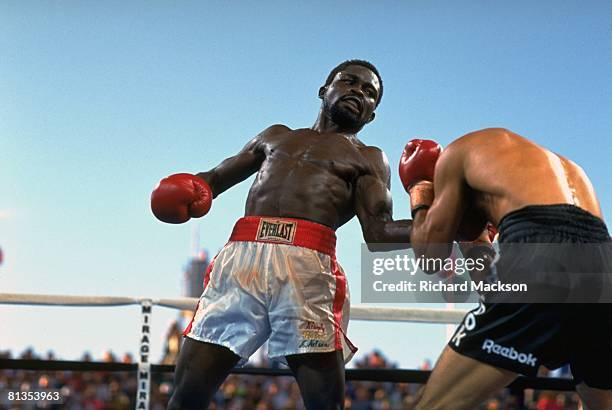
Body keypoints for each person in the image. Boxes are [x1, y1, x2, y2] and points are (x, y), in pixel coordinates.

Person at [151, 60, 412, 410]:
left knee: (325, 405)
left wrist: (451, 225)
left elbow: (379, 233)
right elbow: (212, 179)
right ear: (324, 91)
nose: (358, 92)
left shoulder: (369, 158)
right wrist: (188, 188)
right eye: (349, 82)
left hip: (306, 270)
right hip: (241, 262)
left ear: (371, 116)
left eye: (369, 93)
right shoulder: (275, 136)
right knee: (185, 397)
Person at [399, 128, 611, 409]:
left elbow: (429, 256)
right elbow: (495, 291)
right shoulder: (535, 174)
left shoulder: (455, 155)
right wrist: (475, 241)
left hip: (540, 252)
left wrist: (421, 190)